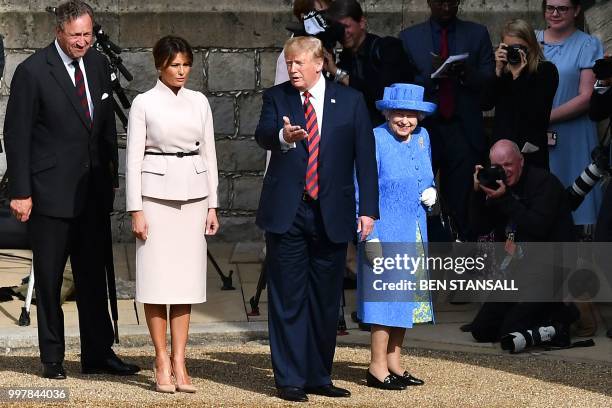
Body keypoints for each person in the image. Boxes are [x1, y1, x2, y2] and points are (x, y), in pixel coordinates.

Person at [2, 0, 139, 379]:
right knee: (48, 279)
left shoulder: (97, 64)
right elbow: (16, 135)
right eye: (76, 35)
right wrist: (21, 191)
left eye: (88, 34)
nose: (83, 42)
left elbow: (105, 127)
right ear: (59, 32)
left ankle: (98, 352)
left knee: (93, 276)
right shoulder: (33, 72)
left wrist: (111, 175)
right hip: (49, 193)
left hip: (92, 191)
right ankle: (52, 358)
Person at [255, 36, 378, 402]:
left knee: (326, 301)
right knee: (288, 299)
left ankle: (318, 376)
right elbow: (262, 134)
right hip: (288, 211)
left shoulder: (351, 101)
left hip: (333, 213)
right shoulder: (277, 97)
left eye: (298, 63)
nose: (292, 69)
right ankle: (290, 379)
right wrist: (283, 136)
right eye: (288, 62)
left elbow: (365, 160)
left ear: (319, 62)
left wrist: (368, 209)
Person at [126, 35, 219, 394]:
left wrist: (213, 204)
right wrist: (136, 209)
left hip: (194, 196)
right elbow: (133, 160)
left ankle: (180, 359)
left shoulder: (200, 102)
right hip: (154, 197)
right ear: (159, 66)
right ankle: (161, 357)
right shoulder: (143, 103)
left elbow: (209, 154)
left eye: (185, 64)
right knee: (155, 279)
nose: (181, 71)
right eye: (174, 65)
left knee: (185, 283)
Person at [357, 83, 436, 390]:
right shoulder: (375, 138)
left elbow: (425, 174)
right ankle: (376, 368)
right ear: (387, 112)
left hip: (415, 229)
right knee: (385, 300)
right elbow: (362, 186)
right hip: (383, 229)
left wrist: (431, 189)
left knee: (405, 299)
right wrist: (367, 234)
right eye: (399, 114)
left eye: (411, 115)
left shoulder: (422, 138)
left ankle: (395, 364)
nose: (405, 121)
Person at [399, 0, 495, 241]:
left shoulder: (476, 33)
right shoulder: (409, 37)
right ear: (429, 2)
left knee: (463, 206)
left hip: (463, 130)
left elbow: (490, 88)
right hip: (423, 129)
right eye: (440, 2)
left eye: (452, 2)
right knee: (415, 198)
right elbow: (402, 85)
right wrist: (432, 77)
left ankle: (463, 265)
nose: (445, 8)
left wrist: (465, 73)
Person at [467, 140, 576, 343]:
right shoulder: (498, 186)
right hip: (520, 269)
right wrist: (477, 192)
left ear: (521, 161)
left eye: (508, 164)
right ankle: (544, 313)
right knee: (481, 330)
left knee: (510, 332)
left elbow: (538, 227)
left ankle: (563, 314)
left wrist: (505, 198)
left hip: (551, 267)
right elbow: (478, 228)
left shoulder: (544, 183)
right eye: (498, 167)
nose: (504, 171)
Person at [536, 0, 604, 226]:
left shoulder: (587, 44)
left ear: (576, 10)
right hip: (535, 135)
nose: (555, 13)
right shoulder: (532, 40)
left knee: (578, 206)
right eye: (550, 8)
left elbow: (586, 97)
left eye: (562, 8)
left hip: (574, 135)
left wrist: (543, 118)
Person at [325, 0, 416, 127]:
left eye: (346, 27)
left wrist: (338, 74)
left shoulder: (387, 48)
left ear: (361, 23)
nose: (343, 33)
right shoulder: (343, 60)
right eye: (338, 29)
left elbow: (382, 96)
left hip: (388, 131)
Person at [482, 19, 559, 169]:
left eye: (519, 48)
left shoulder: (546, 71)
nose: (514, 53)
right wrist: (497, 72)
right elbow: (485, 103)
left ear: (531, 46)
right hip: (501, 153)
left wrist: (517, 78)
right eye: (508, 48)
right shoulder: (503, 71)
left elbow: (536, 114)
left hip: (530, 154)